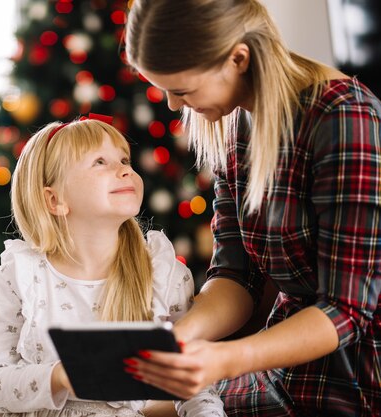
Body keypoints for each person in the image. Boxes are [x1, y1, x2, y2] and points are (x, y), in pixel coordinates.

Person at [122, 0, 381, 416]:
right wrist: (179, 338)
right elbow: (236, 276)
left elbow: (346, 311)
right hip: (286, 367)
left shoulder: (344, 117)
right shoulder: (240, 125)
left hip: (357, 379)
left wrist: (225, 359)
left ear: (238, 58)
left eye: (182, 90)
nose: (172, 105)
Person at [0, 116, 226, 417]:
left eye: (124, 159)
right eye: (100, 162)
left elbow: (194, 386)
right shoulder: (21, 275)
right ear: (55, 200)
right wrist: (60, 376)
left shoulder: (164, 275)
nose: (125, 169)